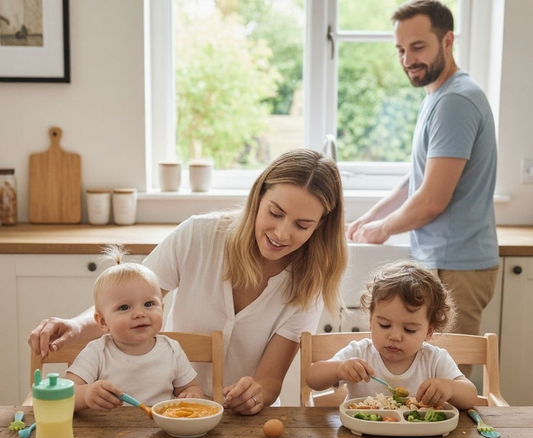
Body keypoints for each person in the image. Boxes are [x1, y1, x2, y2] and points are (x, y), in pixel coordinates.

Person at [28, 148, 348, 415]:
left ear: (320, 226)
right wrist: (75, 324)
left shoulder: (309, 283)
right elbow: (127, 297)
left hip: (238, 422)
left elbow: (269, 380)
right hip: (169, 411)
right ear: (258, 197)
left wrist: (255, 395)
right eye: (275, 213)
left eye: (302, 225)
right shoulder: (199, 235)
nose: (281, 233)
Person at [346, 0, 499, 375]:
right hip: (446, 260)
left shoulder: (455, 101)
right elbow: (417, 177)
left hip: (457, 265)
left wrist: (381, 230)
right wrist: (370, 216)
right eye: (400, 49)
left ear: (447, 41)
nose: (407, 59)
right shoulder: (439, 95)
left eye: (418, 47)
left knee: (450, 386)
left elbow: (431, 200)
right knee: (427, 384)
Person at [306, 260, 478, 410]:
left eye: (409, 329)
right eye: (384, 325)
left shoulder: (434, 359)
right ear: (371, 321)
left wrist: (449, 388)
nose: (395, 336)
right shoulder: (359, 353)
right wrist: (339, 369)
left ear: (429, 331)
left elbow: (470, 395)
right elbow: (313, 378)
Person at [66, 245, 203, 412]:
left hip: (162, 433)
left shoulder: (172, 350)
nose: (139, 313)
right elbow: (64, 395)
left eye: (149, 304)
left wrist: (191, 395)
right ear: (102, 322)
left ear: (162, 307)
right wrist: (86, 394)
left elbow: (191, 388)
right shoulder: (97, 352)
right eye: (124, 307)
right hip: (107, 434)